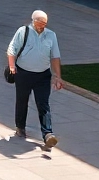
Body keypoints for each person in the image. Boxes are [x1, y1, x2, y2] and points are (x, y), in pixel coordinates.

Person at [7, 10, 62, 148]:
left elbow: (55, 56)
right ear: (33, 20)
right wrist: (12, 66)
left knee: (43, 103)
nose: (42, 25)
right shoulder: (23, 31)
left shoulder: (51, 35)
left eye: (44, 23)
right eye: (40, 22)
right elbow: (12, 49)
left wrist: (57, 76)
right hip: (23, 73)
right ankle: (20, 127)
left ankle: (48, 134)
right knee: (22, 101)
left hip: (43, 75)